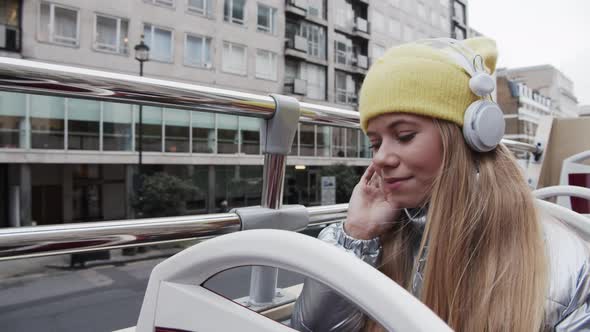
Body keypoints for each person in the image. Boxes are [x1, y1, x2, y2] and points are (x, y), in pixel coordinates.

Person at [290, 37, 590, 332]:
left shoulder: (563, 262)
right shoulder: (373, 237)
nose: (381, 158)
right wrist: (355, 237)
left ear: (472, 136)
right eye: (375, 142)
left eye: (404, 135)